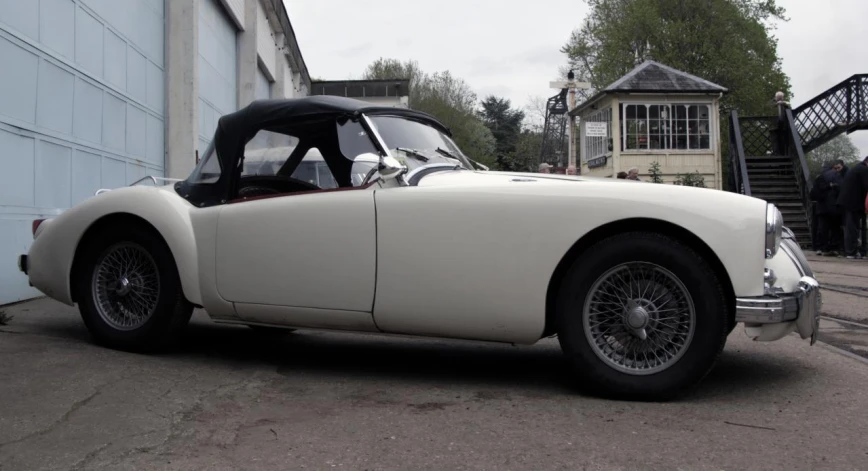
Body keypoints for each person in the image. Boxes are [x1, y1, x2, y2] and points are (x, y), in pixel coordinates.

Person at [836, 156, 868, 259]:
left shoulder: (857, 168)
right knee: (853, 228)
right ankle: (851, 251)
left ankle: (851, 251)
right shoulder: (863, 169)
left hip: (850, 202)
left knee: (851, 227)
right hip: (853, 203)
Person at [811, 162, 843, 255]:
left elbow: (814, 194)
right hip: (835, 207)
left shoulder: (819, 178)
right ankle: (834, 247)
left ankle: (821, 247)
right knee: (835, 228)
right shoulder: (837, 177)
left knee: (822, 228)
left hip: (822, 207)